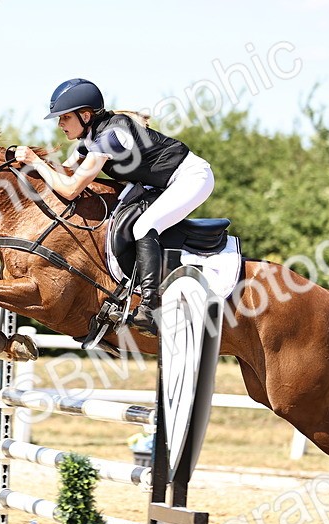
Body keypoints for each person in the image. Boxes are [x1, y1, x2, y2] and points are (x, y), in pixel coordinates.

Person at [14, 78, 215, 336]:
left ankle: (149, 306)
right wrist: (25, 171)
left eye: (64, 118)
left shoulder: (111, 137)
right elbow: (63, 172)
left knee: (144, 225)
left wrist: (36, 162)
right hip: (158, 184)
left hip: (191, 177)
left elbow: (70, 188)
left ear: (85, 115)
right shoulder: (90, 139)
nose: (60, 124)